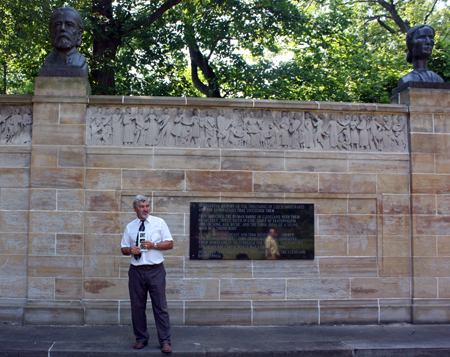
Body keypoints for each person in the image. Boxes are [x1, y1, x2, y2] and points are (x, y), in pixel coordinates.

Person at [121, 195, 174, 354]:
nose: (145, 209)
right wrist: (130, 250)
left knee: (160, 306)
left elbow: (170, 243)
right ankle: (141, 338)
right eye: (142, 206)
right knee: (137, 307)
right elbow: (123, 248)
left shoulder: (159, 223)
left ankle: (165, 341)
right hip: (136, 270)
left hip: (155, 270)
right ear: (135, 208)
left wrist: (154, 245)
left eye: (147, 206)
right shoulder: (130, 227)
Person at [39, 7, 88, 77]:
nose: (63, 28)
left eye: (69, 25)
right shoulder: (48, 62)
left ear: (79, 34)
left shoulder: (81, 62)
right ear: (51, 32)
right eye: (57, 25)